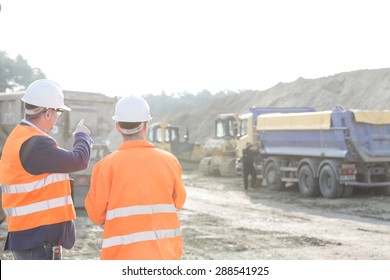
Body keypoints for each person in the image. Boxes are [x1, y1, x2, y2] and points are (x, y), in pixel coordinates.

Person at [0, 79, 93, 260]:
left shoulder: (20, 136)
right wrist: (82, 136)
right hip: (37, 236)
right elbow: (79, 161)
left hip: (28, 234)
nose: (58, 116)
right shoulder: (36, 143)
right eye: (58, 111)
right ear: (48, 113)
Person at [85, 95, 186, 260]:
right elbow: (179, 201)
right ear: (146, 125)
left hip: (121, 257)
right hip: (164, 255)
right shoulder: (170, 161)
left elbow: (96, 214)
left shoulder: (105, 166)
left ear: (118, 127)